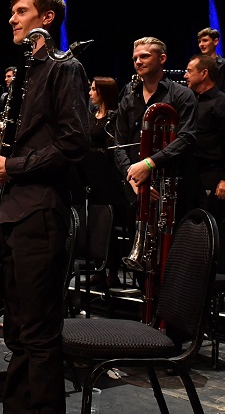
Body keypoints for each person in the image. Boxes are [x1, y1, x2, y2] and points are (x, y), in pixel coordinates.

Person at [0, 0, 90, 414]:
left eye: (22, 11)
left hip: (41, 213)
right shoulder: (26, 75)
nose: (12, 18)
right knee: (17, 335)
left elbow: (74, 143)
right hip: (14, 212)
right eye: (12, 11)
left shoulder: (65, 69)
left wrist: (13, 166)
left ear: (46, 19)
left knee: (40, 336)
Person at [114, 37, 198, 220]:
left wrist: (148, 164)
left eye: (144, 56)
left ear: (162, 59)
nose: (138, 62)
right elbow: (119, 144)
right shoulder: (127, 99)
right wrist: (133, 178)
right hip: (134, 188)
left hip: (173, 188)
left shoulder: (182, 95)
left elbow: (187, 138)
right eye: (135, 58)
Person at [79, 75, 125, 289]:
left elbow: (115, 147)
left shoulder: (114, 117)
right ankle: (99, 269)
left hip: (108, 177)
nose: (90, 92)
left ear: (104, 92)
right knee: (95, 224)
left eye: (94, 89)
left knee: (109, 225)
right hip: (91, 175)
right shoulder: (91, 115)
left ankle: (113, 271)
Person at [185, 55, 225, 221]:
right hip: (191, 175)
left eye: (189, 71)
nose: (185, 75)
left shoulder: (223, 103)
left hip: (212, 176)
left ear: (204, 73)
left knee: (211, 226)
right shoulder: (189, 101)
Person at [197, 27, 225, 98]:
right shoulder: (197, 66)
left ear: (215, 41)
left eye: (205, 40)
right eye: (199, 41)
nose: (201, 44)